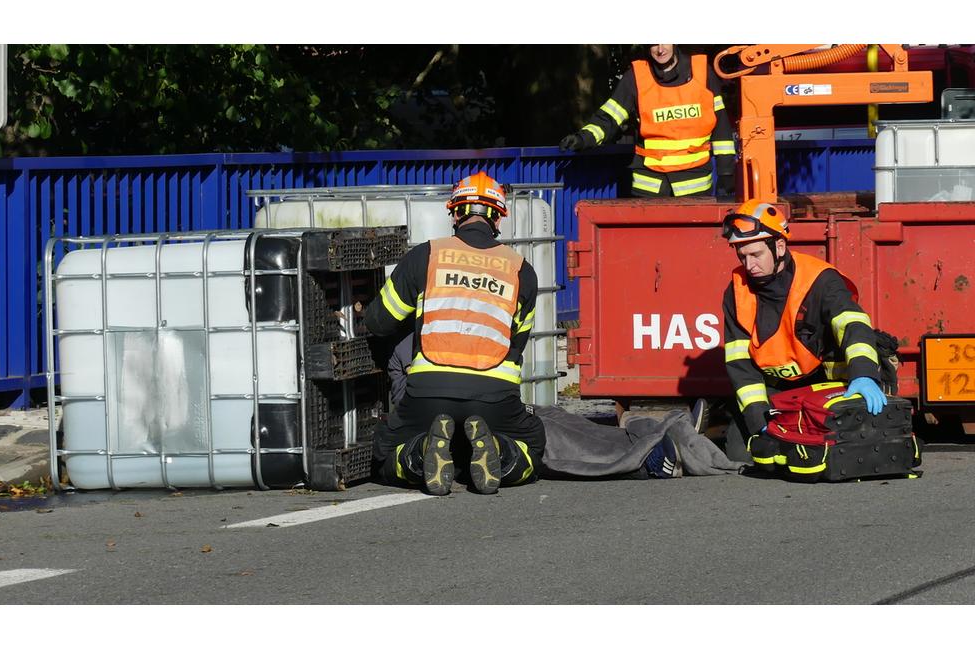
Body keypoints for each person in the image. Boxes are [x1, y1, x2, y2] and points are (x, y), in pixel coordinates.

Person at [363, 171, 547, 496]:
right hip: (494, 395)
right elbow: (517, 344)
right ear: (498, 217)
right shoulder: (522, 270)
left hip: (428, 392)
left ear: (454, 213)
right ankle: (500, 452)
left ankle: (420, 454)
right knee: (532, 444)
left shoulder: (426, 255)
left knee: (384, 452)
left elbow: (379, 322)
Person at [720, 200, 887, 462]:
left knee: (844, 452)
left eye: (756, 255)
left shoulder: (820, 279)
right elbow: (739, 363)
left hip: (833, 385)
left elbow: (853, 325)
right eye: (742, 256)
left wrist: (864, 374)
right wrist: (759, 419)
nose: (749, 265)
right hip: (780, 392)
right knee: (742, 453)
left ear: (779, 246)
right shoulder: (737, 292)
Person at [560, 44, 736, 199]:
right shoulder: (636, 77)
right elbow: (610, 117)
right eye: (653, 44)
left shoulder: (702, 72)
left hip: (694, 184)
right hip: (650, 186)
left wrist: (726, 172)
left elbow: (721, 126)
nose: (660, 49)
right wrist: (583, 138)